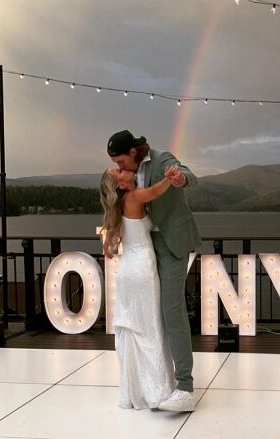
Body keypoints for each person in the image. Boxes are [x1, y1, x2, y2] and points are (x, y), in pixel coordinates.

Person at [105, 129, 202, 412]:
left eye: (120, 161)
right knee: (153, 315)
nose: (118, 167)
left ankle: (185, 387)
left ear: (134, 152)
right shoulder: (124, 176)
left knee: (172, 309)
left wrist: (180, 178)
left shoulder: (161, 161)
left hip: (171, 243)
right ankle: (160, 382)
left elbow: (188, 175)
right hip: (146, 247)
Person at [99, 163, 181, 409]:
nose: (123, 170)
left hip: (127, 271)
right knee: (149, 328)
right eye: (119, 172)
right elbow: (155, 192)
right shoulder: (133, 198)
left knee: (136, 329)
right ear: (121, 184)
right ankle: (156, 391)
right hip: (142, 268)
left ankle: (137, 390)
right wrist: (169, 178)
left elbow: (111, 243)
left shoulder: (119, 206)